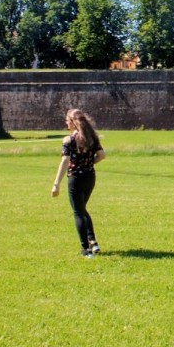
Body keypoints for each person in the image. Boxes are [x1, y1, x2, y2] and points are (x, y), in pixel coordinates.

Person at [51, 108, 106, 257]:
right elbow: (101, 155)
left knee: (78, 213)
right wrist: (89, 163)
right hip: (90, 177)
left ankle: (86, 249)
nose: (66, 123)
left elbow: (65, 161)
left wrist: (56, 183)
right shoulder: (92, 138)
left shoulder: (69, 140)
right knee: (82, 209)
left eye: (67, 121)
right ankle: (93, 242)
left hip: (75, 179)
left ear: (74, 123)